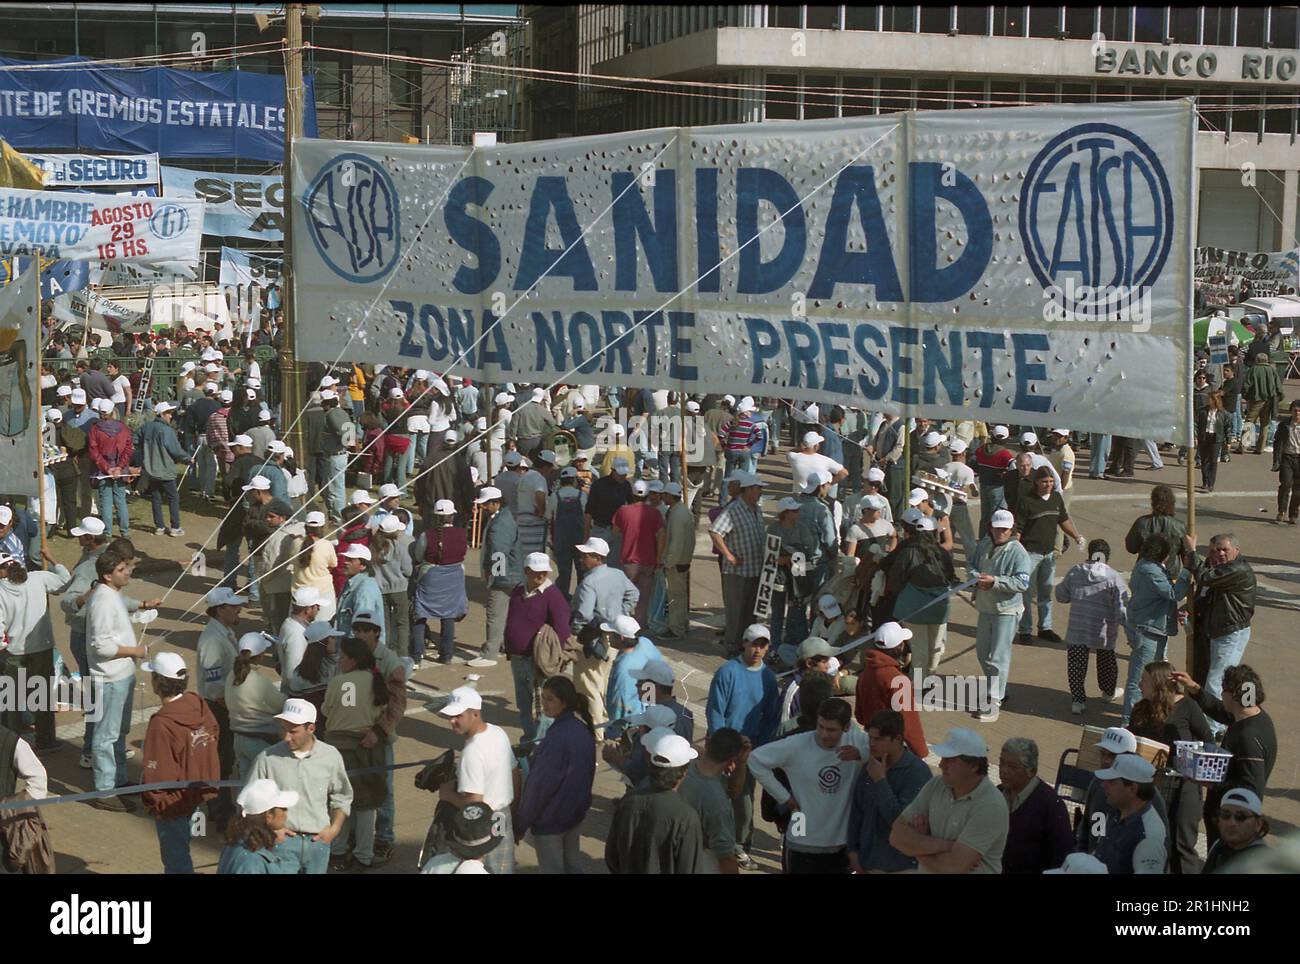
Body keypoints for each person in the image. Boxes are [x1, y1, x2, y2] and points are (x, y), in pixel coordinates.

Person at [748, 697, 868, 874]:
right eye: (821, 727)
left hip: (842, 844)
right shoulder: (797, 743)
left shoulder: (857, 741)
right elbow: (755, 759)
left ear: (846, 727)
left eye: (831, 730)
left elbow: (892, 749)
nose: (824, 734)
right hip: (801, 839)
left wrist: (862, 755)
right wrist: (784, 797)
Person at [1171, 665, 1276, 848]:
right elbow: (1221, 710)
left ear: (1234, 694)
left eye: (1224, 689)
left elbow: (1251, 787)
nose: (1221, 693)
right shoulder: (1251, 716)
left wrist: (1211, 781)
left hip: (1231, 823)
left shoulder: (1248, 738)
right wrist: (1194, 687)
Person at [248, 699, 353, 875]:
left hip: (318, 844)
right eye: (283, 729)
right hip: (280, 844)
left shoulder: (331, 756)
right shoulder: (266, 759)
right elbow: (250, 802)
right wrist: (273, 831)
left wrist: (334, 830)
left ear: (311, 728)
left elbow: (342, 795)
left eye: (293, 731)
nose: (286, 737)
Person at [138, 651, 221, 874]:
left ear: (157, 682)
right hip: (197, 791)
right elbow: (214, 734)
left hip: (171, 803)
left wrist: (153, 801)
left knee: (176, 861)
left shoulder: (162, 723)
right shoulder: (198, 703)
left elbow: (158, 772)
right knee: (186, 846)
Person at [706, 623, 779, 870]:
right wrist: (724, 751)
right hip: (723, 750)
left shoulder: (768, 678)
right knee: (716, 798)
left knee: (744, 803)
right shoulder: (727, 672)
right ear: (744, 644)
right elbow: (716, 712)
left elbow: (771, 718)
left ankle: (740, 846)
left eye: (763, 645)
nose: (758, 649)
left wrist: (759, 750)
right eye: (754, 643)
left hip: (748, 752)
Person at [1128, 661, 1214, 874]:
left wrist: (1191, 755)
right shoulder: (1140, 709)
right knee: (1153, 840)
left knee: (1181, 844)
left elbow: (1208, 741)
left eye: (1144, 681)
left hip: (1185, 784)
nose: (1139, 684)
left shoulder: (1187, 707)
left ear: (1158, 684)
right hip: (1152, 784)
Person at [891, 728, 1009, 874]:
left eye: (950, 760)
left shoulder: (991, 807)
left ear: (974, 766)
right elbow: (896, 836)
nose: (941, 765)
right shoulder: (937, 784)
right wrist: (947, 846)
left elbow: (951, 868)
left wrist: (917, 847)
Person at [85, 547, 150, 812]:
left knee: (119, 731)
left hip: (122, 675)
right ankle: (104, 789)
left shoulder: (112, 595)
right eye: (122, 570)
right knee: (105, 735)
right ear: (107, 575)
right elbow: (99, 645)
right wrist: (135, 651)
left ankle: (119, 780)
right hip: (109, 678)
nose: (128, 573)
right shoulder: (101, 601)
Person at [515, 676, 597, 874]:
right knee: (573, 865)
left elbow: (538, 786)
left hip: (551, 819)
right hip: (574, 813)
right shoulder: (581, 729)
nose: (544, 704)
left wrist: (521, 822)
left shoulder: (556, 737)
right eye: (543, 698)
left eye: (550, 699)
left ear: (564, 702)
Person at [322, 638, 389, 872]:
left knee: (340, 799)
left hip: (337, 747)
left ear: (354, 659)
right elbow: (381, 712)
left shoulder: (338, 682)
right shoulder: (374, 681)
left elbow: (326, 710)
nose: (340, 660)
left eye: (343, 657)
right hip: (365, 747)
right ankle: (364, 854)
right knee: (366, 804)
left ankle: (338, 851)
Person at [438, 686, 521, 874]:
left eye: (458, 716)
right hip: (503, 815)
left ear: (474, 714)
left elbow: (474, 804)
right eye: (451, 716)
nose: (452, 721)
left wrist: (447, 795)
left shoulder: (471, 753)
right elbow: (515, 772)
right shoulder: (498, 732)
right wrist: (514, 811)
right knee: (504, 869)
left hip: (482, 826)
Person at [0, 548, 71, 753]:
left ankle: (11, 744)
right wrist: (53, 559)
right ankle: (46, 740)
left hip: (14, 651)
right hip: (42, 647)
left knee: (11, 700)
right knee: (42, 696)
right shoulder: (38, 578)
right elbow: (65, 581)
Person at [605, 729, 705, 874]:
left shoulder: (627, 802)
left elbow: (612, 857)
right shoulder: (686, 817)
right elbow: (690, 868)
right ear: (684, 772)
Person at [847, 709, 932, 874]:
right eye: (870, 738)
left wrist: (880, 781)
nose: (871, 744)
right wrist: (852, 851)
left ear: (898, 739)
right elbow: (857, 813)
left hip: (901, 867)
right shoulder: (870, 767)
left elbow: (901, 822)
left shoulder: (917, 773)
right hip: (868, 863)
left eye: (878, 739)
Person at [967, 509, 1031, 724]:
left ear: (1011, 529)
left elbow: (1022, 583)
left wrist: (995, 582)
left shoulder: (1018, 552)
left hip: (1006, 610)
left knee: (998, 657)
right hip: (985, 608)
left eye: (1005, 529)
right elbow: (972, 565)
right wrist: (975, 578)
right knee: (982, 652)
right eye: (997, 528)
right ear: (991, 528)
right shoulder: (984, 545)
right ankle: (998, 687)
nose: (1000, 532)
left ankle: (993, 700)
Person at [569, 536, 639, 727]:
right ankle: (607, 722)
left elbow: (583, 613)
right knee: (604, 682)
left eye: (585, 556)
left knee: (589, 685)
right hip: (614, 636)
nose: (582, 559)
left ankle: (597, 730)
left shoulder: (589, 582)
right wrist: (621, 614)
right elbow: (634, 594)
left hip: (593, 637)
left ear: (596, 557)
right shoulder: (617, 574)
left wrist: (575, 631)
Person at [1054, 539, 1128, 715]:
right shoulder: (1113, 577)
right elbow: (1121, 607)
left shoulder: (1075, 572)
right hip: (1103, 631)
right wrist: (1127, 627)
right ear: (1106, 557)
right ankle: (1108, 692)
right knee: (1106, 661)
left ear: (1090, 553)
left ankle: (1078, 700)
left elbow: (1061, 596)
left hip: (1078, 628)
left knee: (1076, 665)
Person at [1122, 534, 1190, 725]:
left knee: (1153, 675)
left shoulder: (1145, 566)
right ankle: (1129, 721)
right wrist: (1186, 571)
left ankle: (1146, 714)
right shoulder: (1151, 572)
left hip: (1152, 627)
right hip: (1148, 629)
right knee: (1139, 678)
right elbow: (1173, 593)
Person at [504, 553, 572, 742]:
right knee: (524, 704)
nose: (541, 576)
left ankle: (541, 744)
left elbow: (562, 630)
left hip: (538, 663)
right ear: (526, 571)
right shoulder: (518, 592)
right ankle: (529, 739)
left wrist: (554, 658)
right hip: (518, 659)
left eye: (544, 572)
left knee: (544, 708)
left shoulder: (553, 596)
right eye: (536, 572)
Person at [1012, 466, 1083, 643]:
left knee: (1045, 593)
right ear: (1036, 482)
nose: (1048, 485)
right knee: (1026, 594)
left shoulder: (1056, 498)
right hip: (1029, 554)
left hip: (1049, 554)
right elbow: (1018, 529)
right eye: (1045, 482)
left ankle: (1045, 628)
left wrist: (1076, 536)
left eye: (1051, 482)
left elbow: (1063, 520)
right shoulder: (1026, 501)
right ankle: (1025, 630)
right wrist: (1014, 550)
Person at [196, 585, 246, 823]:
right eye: (234, 606)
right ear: (219, 609)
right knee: (220, 761)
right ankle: (220, 812)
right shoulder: (212, 641)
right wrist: (234, 708)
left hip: (224, 705)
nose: (239, 609)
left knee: (225, 759)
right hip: (218, 708)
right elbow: (214, 686)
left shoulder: (224, 632)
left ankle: (221, 807)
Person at [1190, 534, 1256, 711]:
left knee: (1216, 680)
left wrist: (1191, 552)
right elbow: (1208, 596)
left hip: (1229, 632)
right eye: (1215, 550)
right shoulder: (1223, 569)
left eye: (1224, 549)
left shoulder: (1236, 570)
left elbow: (1205, 578)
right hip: (1219, 630)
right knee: (1214, 678)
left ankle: (1213, 727)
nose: (1220, 553)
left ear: (1236, 550)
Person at [885, 513, 957, 672]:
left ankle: (918, 684)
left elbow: (896, 578)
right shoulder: (943, 553)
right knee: (936, 647)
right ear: (934, 532)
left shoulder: (908, 552)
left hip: (913, 607)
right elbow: (951, 577)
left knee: (919, 649)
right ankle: (929, 677)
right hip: (939, 606)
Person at [709, 472, 767, 654]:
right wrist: (729, 555)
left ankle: (746, 645)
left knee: (750, 612)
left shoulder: (756, 509)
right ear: (748, 489)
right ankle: (732, 647)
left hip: (755, 569)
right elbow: (715, 531)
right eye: (758, 489)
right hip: (737, 573)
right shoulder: (733, 510)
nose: (760, 492)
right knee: (736, 613)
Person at [997, 737, 1073, 875]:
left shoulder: (1052, 807)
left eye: (1012, 766)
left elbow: (1061, 857)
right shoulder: (996, 795)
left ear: (1032, 771)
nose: (1004, 770)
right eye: (1001, 763)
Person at [677, 727, 748, 874]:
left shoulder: (682, 768)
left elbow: (733, 790)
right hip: (699, 861)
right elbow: (726, 858)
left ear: (707, 744)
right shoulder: (717, 802)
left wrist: (741, 763)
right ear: (731, 761)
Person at [853, 621, 927, 757]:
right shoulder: (897, 680)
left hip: (871, 744)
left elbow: (860, 716)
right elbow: (909, 724)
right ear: (899, 646)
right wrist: (920, 752)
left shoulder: (865, 673)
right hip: (891, 749)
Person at [411, 500, 470, 665]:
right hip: (454, 575)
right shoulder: (462, 534)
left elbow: (418, 555)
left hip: (431, 575)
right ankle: (447, 655)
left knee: (420, 613)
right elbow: (463, 552)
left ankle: (416, 655)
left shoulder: (426, 535)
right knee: (448, 614)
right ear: (452, 516)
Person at [1091, 753, 1167, 874]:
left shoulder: (1149, 837)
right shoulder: (1115, 811)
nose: (1103, 785)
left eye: (1112, 782)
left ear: (1132, 789)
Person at [224, 631, 285, 782]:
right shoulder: (259, 681)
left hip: (238, 739)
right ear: (260, 655)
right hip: (260, 741)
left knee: (246, 789)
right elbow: (280, 704)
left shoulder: (231, 675)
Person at [475, 485, 522, 668]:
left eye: (486, 504)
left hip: (504, 577)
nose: (483, 508)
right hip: (511, 575)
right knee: (505, 615)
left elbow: (499, 552)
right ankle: (503, 646)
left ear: (496, 503)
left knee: (495, 615)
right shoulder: (504, 517)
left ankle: (490, 653)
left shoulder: (500, 523)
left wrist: (494, 576)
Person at [613, 479, 665, 627]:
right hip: (648, 561)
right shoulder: (654, 513)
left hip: (629, 561)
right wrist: (658, 557)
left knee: (626, 595)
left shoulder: (623, 510)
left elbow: (615, 531)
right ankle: (639, 625)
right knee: (644, 596)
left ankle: (624, 623)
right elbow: (662, 534)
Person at [218, 779, 297, 874]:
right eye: (283, 808)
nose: (286, 812)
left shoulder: (237, 843)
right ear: (269, 815)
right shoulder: (252, 861)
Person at [137, 401, 190, 536]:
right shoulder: (167, 430)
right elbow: (176, 450)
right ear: (161, 414)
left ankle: (159, 526)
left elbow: (135, 440)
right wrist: (188, 458)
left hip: (151, 469)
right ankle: (175, 527)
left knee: (156, 497)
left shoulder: (146, 427)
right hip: (165, 470)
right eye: (168, 413)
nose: (170, 416)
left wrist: (145, 453)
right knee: (173, 497)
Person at [604, 614, 664, 725]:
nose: (608, 636)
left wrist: (613, 732)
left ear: (621, 637)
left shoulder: (623, 670)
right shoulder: (645, 643)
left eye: (611, 633)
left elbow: (621, 708)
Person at [87, 398, 134, 538]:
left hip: (103, 470)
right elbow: (128, 449)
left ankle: (107, 532)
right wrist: (119, 467)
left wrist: (107, 468)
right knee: (120, 500)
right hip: (118, 469)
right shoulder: (123, 428)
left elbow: (93, 452)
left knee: (105, 501)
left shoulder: (95, 430)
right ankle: (124, 532)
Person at [370, 514, 413, 664]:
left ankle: (385, 653)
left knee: (384, 624)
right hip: (399, 589)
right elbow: (408, 570)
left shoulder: (373, 548)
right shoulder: (399, 547)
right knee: (402, 623)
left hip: (380, 590)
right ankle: (403, 655)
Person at [1202, 788, 1271, 874]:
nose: (1232, 823)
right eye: (1225, 815)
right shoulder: (1219, 846)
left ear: (1258, 824)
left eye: (1241, 817)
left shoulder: (1264, 863)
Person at [659, 481, 694, 640]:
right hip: (682, 560)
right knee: (680, 596)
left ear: (669, 496)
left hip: (677, 562)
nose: (662, 497)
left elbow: (676, 542)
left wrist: (668, 562)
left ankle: (676, 628)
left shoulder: (677, 514)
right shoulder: (680, 510)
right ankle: (682, 624)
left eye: (664, 494)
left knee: (675, 597)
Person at [291, 512, 338, 622]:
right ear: (323, 527)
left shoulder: (295, 543)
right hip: (323, 592)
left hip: (300, 592)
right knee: (324, 629)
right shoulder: (326, 545)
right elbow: (333, 565)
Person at [334, 543, 386, 642]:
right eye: (346, 559)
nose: (345, 562)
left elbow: (363, 629)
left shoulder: (365, 590)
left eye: (351, 560)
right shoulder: (351, 583)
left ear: (362, 565)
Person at [1241, 350, 1282, 454]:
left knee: (1249, 422)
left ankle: (1243, 446)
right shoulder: (1272, 370)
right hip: (1269, 400)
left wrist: (1245, 396)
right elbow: (1279, 387)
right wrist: (1279, 398)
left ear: (1257, 360)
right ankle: (1260, 448)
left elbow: (1246, 385)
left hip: (1256, 400)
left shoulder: (1253, 369)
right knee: (1265, 424)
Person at [1269, 398, 1300, 523]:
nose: (1297, 414)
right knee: (1286, 485)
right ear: (1291, 412)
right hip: (1287, 458)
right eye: (1295, 411)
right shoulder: (1284, 425)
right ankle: (1281, 511)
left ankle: (1293, 514)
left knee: (1298, 489)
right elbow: (1277, 443)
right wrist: (1276, 460)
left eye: (1299, 411)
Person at [1196, 391, 1230, 493]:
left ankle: (1211, 483)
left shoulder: (1223, 413)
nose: (1208, 400)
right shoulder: (1202, 411)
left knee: (1213, 461)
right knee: (1204, 460)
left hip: (1216, 438)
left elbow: (1227, 427)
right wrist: (1195, 436)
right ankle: (1205, 481)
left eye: (1210, 399)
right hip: (1204, 436)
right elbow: (1196, 423)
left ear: (1215, 400)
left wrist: (1228, 442)